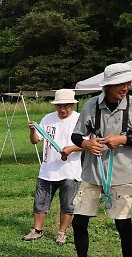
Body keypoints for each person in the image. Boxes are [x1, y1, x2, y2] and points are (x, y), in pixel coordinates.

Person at [59, 63, 132, 257]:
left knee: (123, 225)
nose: (126, 87)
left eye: (128, 83)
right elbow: (76, 136)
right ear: (107, 86)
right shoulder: (91, 105)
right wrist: (86, 143)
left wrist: (123, 139)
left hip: (122, 174)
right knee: (79, 222)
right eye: (121, 84)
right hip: (92, 173)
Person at [23, 89, 83, 245]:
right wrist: (33, 130)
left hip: (70, 171)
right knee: (40, 202)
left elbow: (88, 144)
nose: (62, 110)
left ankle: (62, 233)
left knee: (67, 204)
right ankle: (37, 230)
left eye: (66, 106)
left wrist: (71, 149)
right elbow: (35, 141)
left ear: (72, 104)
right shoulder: (48, 118)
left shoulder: (80, 119)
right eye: (59, 106)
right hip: (47, 170)